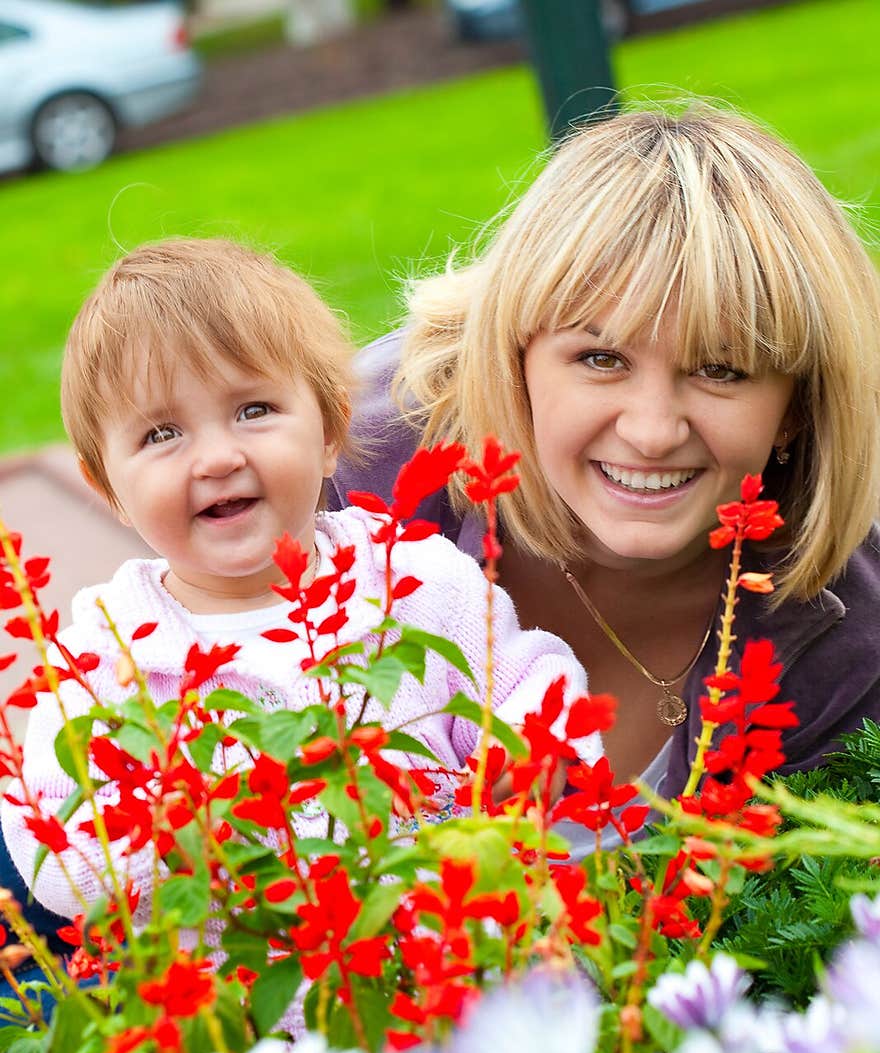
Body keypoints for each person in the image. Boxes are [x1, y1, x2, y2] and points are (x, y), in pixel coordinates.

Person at [0, 237, 599, 938]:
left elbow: (527, 677)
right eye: (162, 433)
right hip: (253, 1019)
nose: (219, 458)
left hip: (458, 975)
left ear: (330, 430)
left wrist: (529, 746)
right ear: (108, 487)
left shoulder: (415, 577)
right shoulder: (107, 660)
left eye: (253, 410)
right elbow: (52, 850)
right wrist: (192, 836)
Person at [329, 100, 880, 801]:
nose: (652, 431)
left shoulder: (858, 632)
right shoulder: (350, 462)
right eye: (601, 358)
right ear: (516, 357)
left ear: (796, 410)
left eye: (720, 370)